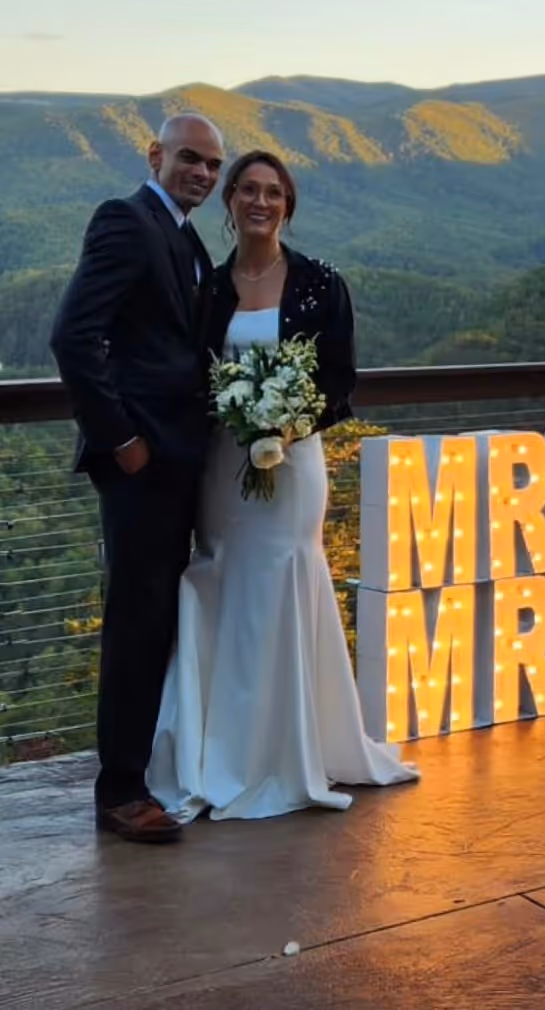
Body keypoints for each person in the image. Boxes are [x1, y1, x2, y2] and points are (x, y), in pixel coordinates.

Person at [146, 149, 417, 821]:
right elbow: (190, 374)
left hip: (293, 465)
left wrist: (287, 424)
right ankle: (224, 751)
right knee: (226, 582)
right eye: (247, 190)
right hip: (222, 467)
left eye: (273, 192)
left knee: (284, 581)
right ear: (230, 202)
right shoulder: (210, 287)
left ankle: (290, 750)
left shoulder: (321, 283)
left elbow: (340, 382)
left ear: (287, 206)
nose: (260, 202)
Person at [50, 113, 225, 844]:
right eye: (190, 158)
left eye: (213, 165)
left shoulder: (185, 237)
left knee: (159, 621)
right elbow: (73, 335)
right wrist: (122, 441)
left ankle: (150, 770)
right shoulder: (126, 220)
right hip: (140, 466)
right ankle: (120, 791)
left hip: (178, 462)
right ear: (156, 156)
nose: (203, 174)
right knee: (136, 623)